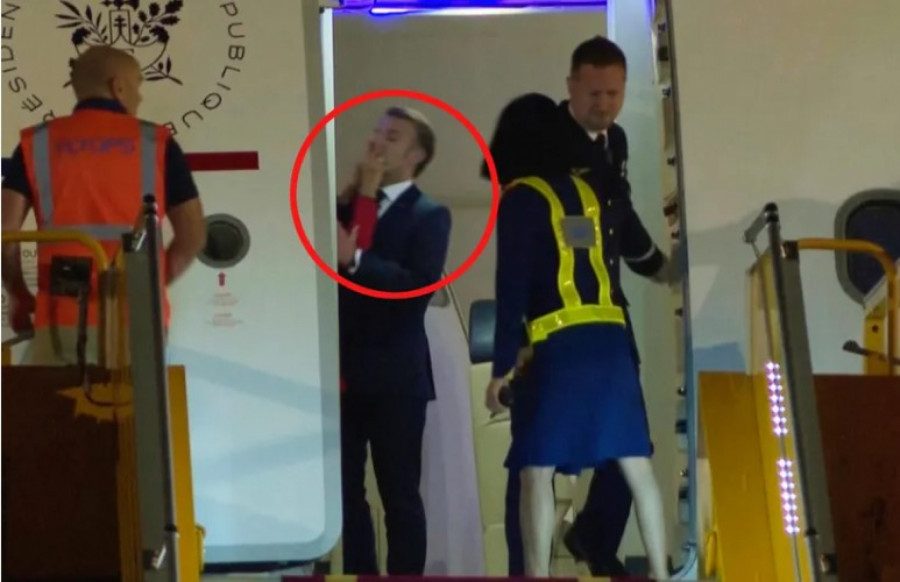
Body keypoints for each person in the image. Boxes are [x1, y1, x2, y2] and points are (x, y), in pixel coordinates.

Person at [483, 92, 673, 579]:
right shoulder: (589, 192)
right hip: (611, 340)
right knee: (636, 463)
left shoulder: (520, 198)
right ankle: (661, 570)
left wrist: (500, 369)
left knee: (536, 468)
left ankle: (537, 574)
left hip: (558, 346)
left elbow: (512, 287)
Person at [1, 45, 206, 366]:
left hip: (59, 320)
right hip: (136, 320)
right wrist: (148, 286)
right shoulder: (156, 142)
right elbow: (193, 235)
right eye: (137, 85)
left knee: (56, 399)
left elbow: (5, 232)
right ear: (118, 86)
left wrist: (17, 294)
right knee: (134, 400)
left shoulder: (36, 143)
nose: (139, 96)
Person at [335, 106, 452, 575]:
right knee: (345, 490)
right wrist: (361, 189)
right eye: (378, 132)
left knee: (400, 494)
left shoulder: (429, 214)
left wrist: (358, 261)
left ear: (416, 154)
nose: (379, 141)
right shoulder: (347, 204)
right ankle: (360, 570)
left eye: (394, 136)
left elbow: (416, 288)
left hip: (395, 375)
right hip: (343, 370)